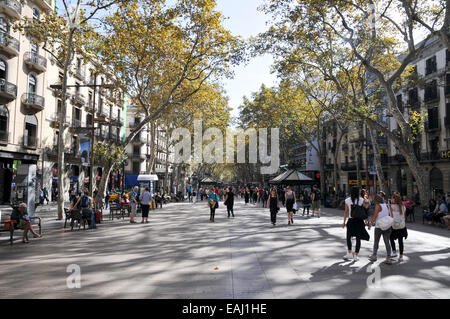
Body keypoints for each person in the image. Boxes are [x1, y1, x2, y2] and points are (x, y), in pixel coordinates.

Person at [342, 187, 370, 261]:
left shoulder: (347, 200)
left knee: (348, 237)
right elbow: (364, 211)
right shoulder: (361, 200)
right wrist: (367, 221)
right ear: (358, 192)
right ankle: (356, 255)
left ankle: (349, 253)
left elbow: (345, 212)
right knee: (358, 238)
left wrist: (344, 222)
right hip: (359, 221)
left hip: (351, 221)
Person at [368, 195, 393, 264]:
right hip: (387, 226)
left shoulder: (378, 206)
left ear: (376, 200)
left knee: (376, 241)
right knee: (387, 241)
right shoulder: (386, 205)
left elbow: (375, 216)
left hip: (379, 226)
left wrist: (370, 224)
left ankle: (374, 255)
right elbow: (390, 214)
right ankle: (388, 257)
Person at [389, 193, 408, 262]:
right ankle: (401, 256)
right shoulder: (403, 207)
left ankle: (394, 251)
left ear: (395, 200)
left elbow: (390, 215)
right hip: (401, 226)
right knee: (400, 241)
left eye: (392, 198)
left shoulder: (391, 206)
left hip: (394, 226)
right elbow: (404, 217)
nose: (391, 199)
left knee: (391, 238)